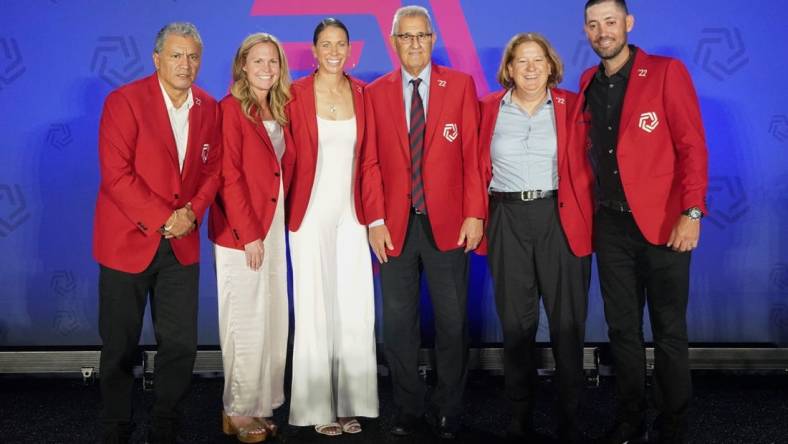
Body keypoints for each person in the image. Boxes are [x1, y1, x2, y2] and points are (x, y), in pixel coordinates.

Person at [575, 1, 709, 442]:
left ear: (628, 24)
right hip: (610, 228)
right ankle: (630, 418)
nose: (602, 32)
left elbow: (692, 147)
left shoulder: (667, 72)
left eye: (610, 22)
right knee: (622, 330)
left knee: (669, 330)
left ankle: (674, 423)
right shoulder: (586, 82)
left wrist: (691, 214)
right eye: (593, 25)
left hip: (666, 226)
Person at [361, 5, 486, 440]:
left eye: (421, 36)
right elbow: (370, 163)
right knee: (398, 324)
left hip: (450, 224)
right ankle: (409, 409)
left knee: (452, 323)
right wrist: (375, 219)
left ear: (433, 40)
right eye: (406, 36)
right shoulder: (374, 92)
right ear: (393, 42)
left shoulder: (461, 86)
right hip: (393, 226)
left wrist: (474, 213)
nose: (414, 43)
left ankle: (449, 409)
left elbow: (474, 157)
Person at [93, 22, 221, 444]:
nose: (186, 65)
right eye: (177, 55)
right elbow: (116, 175)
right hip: (127, 242)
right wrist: (167, 217)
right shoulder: (124, 101)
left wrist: (192, 213)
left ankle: (166, 424)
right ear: (157, 59)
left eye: (193, 56)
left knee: (181, 346)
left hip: (181, 247)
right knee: (119, 347)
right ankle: (116, 425)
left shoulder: (209, 106)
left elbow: (213, 170)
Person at [477, 32, 593, 442]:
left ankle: (570, 416)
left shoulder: (574, 106)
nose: (530, 68)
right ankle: (519, 416)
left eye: (537, 60)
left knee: (566, 322)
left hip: (558, 217)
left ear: (551, 66)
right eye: (521, 61)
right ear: (508, 69)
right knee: (516, 323)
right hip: (506, 217)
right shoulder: (487, 109)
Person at [285, 18, 379, 436]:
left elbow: (372, 160)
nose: (334, 51)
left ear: (349, 49)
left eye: (341, 43)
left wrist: (374, 216)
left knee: (355, 307)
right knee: (314, 306)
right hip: (308, 212)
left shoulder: (363, 93)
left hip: (352, 212)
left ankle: (349, 403)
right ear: (314, 50)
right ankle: (316, 406)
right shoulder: (295, 93)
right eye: (326, 44)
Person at [207, 32, 293, 443]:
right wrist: (249, 235)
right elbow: (229, 177)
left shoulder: (278, 108)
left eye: (273, 61)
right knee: (244, 319)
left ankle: (260, 404)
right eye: (257, 61)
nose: (266, 69)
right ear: (242, 65)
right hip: (243, 231)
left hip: (273, 225)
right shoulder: (229, 110)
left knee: (271, 318)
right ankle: (237, 410)